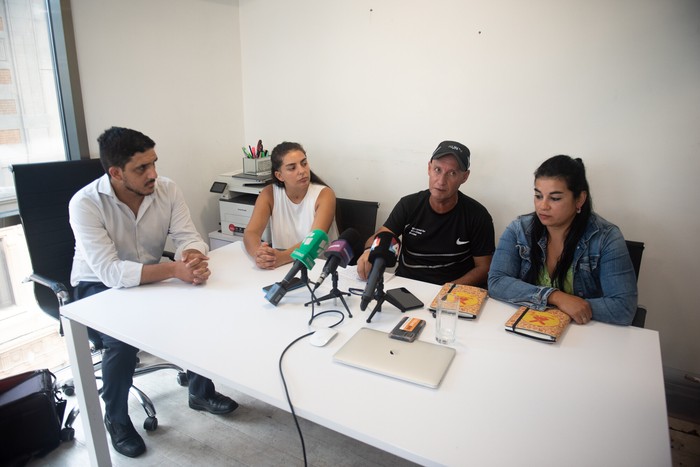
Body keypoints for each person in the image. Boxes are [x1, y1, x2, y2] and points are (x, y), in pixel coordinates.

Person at [69, 127, 238, 458]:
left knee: (203, 307)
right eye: (141, 168)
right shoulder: (86, 204)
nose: (153, 174)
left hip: (150, 277)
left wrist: (191, 256)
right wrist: (175, 270)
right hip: (96, 287)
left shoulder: (167, 189)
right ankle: (116, 418)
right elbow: (111, 272)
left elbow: (188, 235)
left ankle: (200, 391)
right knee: (121, 341)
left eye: (154, 163)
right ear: (115, 173)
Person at [487, 155, 638, 325]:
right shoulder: (519, 229)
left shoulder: (606, 238)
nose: (543, 206)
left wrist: (544, 302)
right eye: (538, 196)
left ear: (579, 199)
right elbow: (496, 282)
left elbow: (623, 308)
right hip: (530, 328)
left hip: (586, 334)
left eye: (555, 198)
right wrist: (554, 297)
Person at [357, 140, 495, 286]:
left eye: (452, 173)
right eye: (437, 170)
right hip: (405, 286)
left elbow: (484, 268)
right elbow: (380, 237)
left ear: (464, 177)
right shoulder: (409, 205)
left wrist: (447, 291)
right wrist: (368, 252)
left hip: (451, 293)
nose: (441, 181)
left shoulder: (478, 215)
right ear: (429, 168)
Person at [243, 141, 338, 269]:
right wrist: (259, 255)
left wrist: (281, 257)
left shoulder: (325, 194)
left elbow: (315, 240)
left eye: (304, 163)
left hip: (318, 268)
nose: (302, 171)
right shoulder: (268, 193)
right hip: (282, 267)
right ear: (279, 176)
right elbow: (251, 232)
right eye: (292, 168)